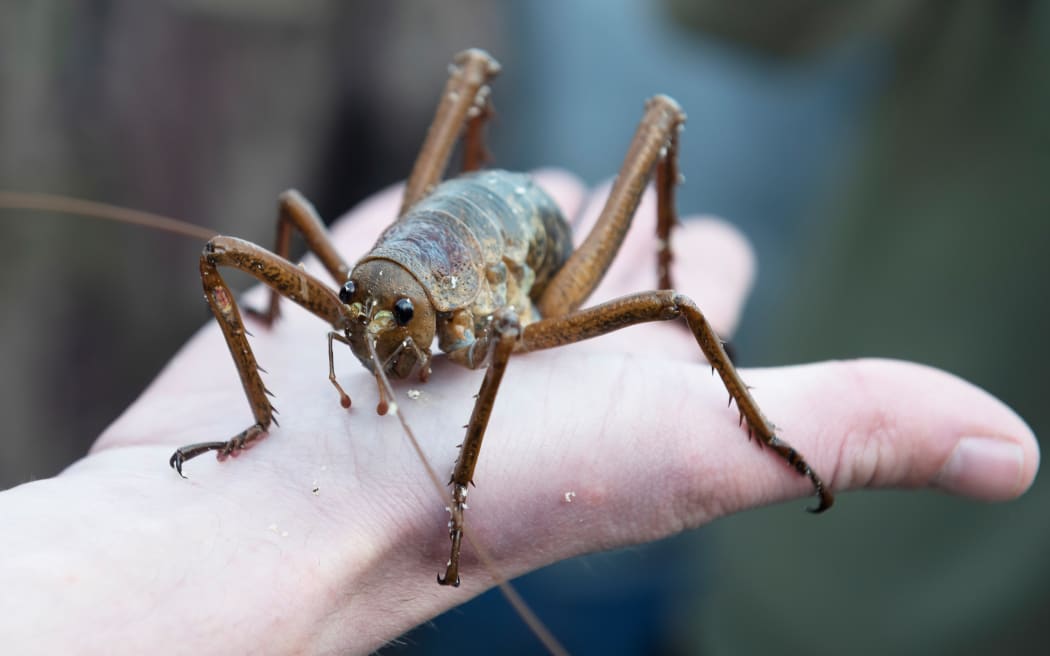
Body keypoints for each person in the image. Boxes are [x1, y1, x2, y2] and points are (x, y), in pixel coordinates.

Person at [0, 172, 1037, 655]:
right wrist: (274, 382)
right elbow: (248, 243)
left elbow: (492, 346)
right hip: (417, 244)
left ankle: (674, 257)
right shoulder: (370, 296)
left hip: (527, 256)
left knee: (670, 298)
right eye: (359, 317)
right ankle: (265, 408)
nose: (373, 340)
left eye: (392, 325)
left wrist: (457, 491)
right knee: (238, 244)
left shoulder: (494, 324)